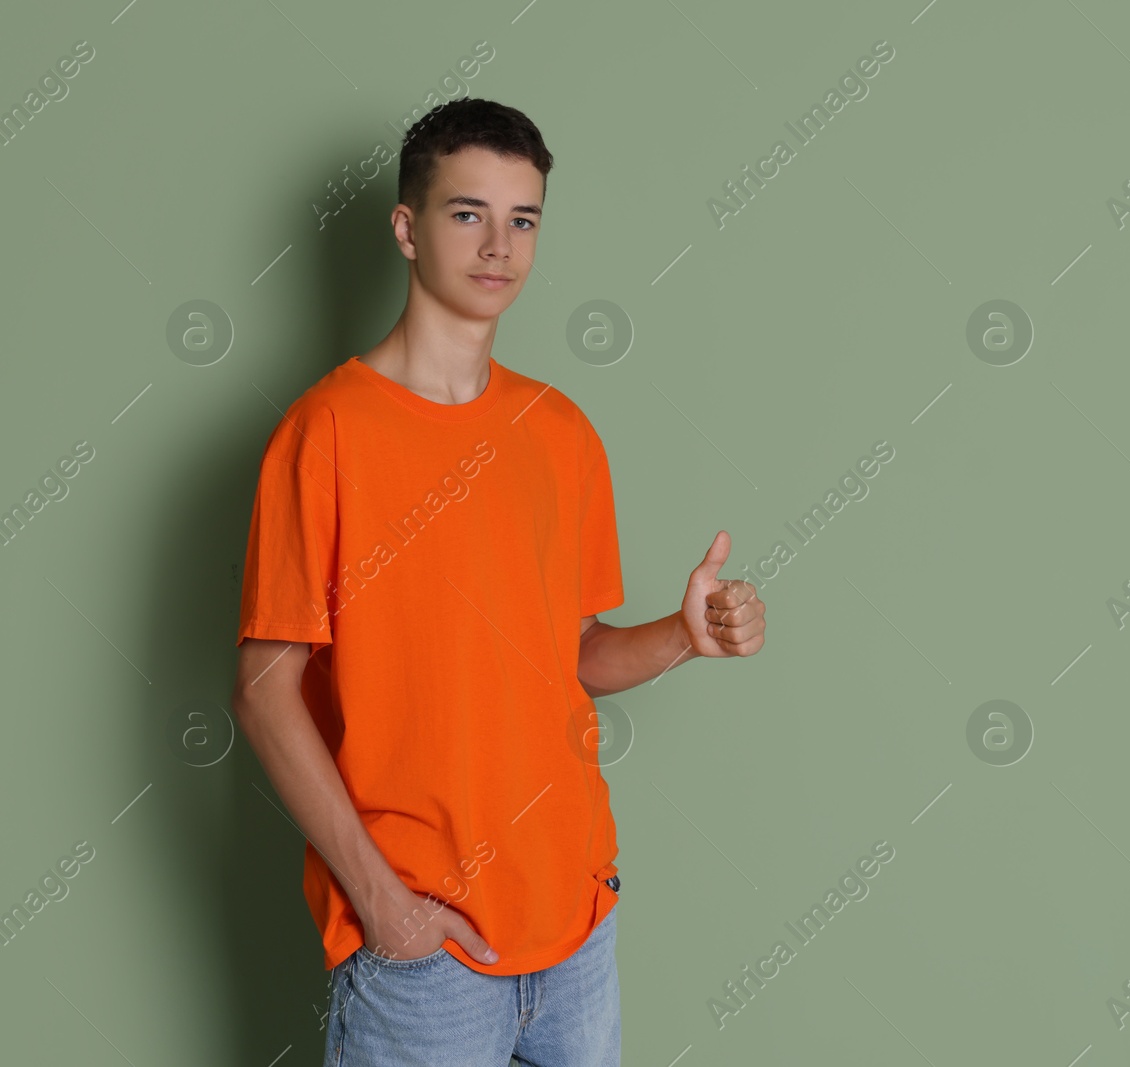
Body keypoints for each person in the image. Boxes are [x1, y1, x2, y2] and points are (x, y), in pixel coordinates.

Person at [231, 97, 766, 1067]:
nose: (499, 245)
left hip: (576, 929)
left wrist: (683, 633)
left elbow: (573, 655)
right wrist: (382, 902)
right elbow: (265, 696)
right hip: (421, 956)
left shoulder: (560, 433)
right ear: (406, 227)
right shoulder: (326, 433)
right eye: (467, 212)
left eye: (523, 219)